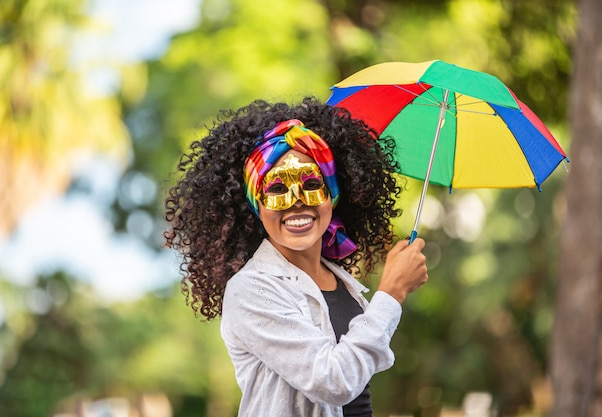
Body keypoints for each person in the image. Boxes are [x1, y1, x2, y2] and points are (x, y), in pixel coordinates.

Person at [164, 97, 428, 417]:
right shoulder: (251, 289)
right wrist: (391, 293)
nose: (296, 202)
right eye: (277, 189)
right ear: (256, 205)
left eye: (312, 183)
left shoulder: (344, 284)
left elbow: (358, 390)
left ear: (332, 195)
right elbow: (331, 381)